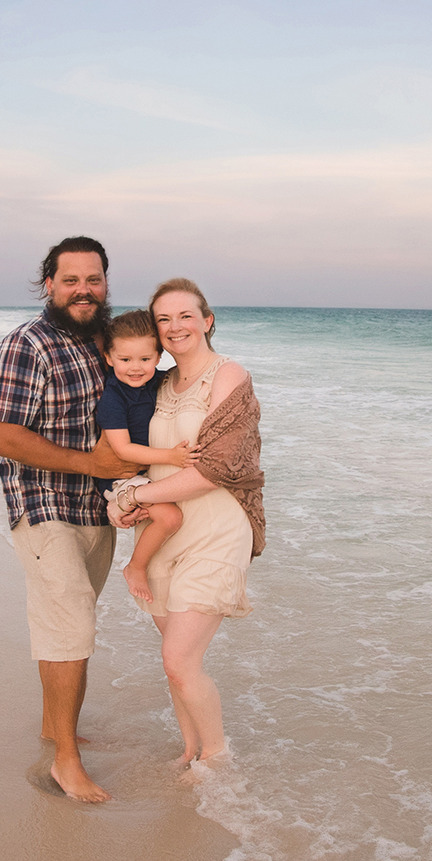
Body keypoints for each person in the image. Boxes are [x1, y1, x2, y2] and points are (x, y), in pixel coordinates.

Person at [0, 237, 139, 803]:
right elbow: (6, 437)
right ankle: (65, 762)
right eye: (70, 279)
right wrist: (89, 462)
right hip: (42, 503)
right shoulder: (27, 345)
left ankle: (57, 728)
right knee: (71, 619)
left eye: (94, 279)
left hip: (96, 509)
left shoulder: (107, 344)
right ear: (47, 283)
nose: (84, 289)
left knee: (66, 623)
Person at [108, 278, 266, 772]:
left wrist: (137, 495)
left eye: (185, 316)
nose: (175, 327)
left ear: (207, 320)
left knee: (179, 660)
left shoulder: (228, 375)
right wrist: (122, 501)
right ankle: (190, 749)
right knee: (175, 664)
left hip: (217, 530)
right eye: (164, 319)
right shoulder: (152, 383)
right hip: (163, 533)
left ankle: (217, 759)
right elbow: (128, 453)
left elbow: (218, 466)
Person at [94, 310, 196, 606]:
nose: (135, 368)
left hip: (146, 473)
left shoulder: (158, 381)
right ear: (109, 358)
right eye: (125, 360)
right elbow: (123, 449)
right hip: (119, 476)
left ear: (159, 356)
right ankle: (135, 567)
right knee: (170, 516)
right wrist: (171, 457)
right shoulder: (113, 398)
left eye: (145, 359)